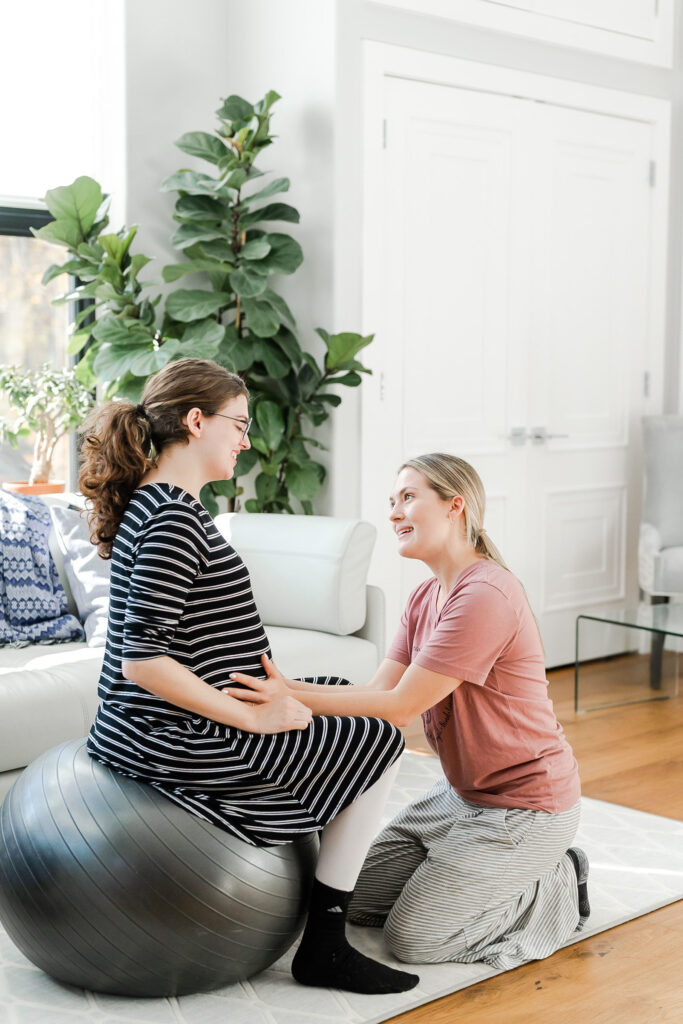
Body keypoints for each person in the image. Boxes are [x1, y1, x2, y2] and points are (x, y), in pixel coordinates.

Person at [79, 357, 419, 995]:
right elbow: (142, 660)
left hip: (174, 721)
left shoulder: (165, 506)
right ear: (195, 420)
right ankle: (324, 944)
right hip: (171, 735)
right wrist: (253, 715)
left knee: (347, 701)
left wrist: (277, 694)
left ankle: (315, 878)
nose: (246, 439)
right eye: (237, 424)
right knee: (382, 738)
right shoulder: (172, 520)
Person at [226, 453, 589, 971]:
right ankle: (466, 870)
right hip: (461, 795)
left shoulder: (484, 594)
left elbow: (400, 708)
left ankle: (555, 881)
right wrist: (286, 685)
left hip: (526, 804)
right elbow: (377, 689)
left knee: (415, 939)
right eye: (391, 502)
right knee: (358, 899)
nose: (395, 512)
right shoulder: (424, 596)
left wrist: (294, 697)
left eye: (408, 497)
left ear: (455, 506)